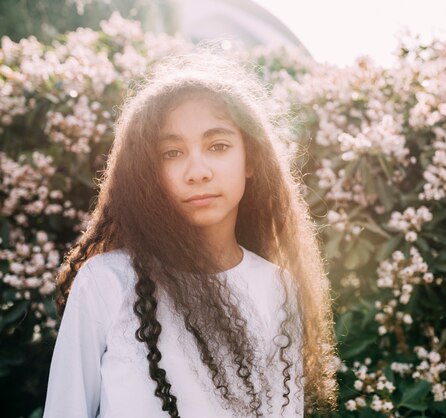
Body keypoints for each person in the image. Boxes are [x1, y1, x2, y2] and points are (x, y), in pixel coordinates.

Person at [42, 50, 338, 418]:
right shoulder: (106, 283)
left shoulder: (278, 289)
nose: (197, 171)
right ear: (149, 172)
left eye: (218, 146)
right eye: (172, 152)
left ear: (250, 160)